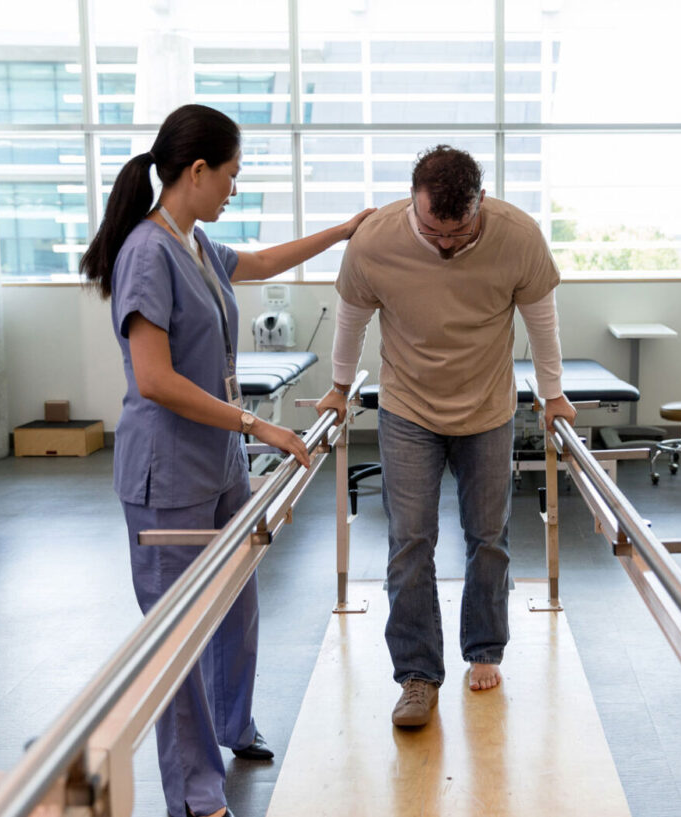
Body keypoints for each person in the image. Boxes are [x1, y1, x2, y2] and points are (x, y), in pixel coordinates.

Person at [81, 103, 372, 817]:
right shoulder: (146, 252)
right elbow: (154, 378)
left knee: (237, 602)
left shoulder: (196, 243)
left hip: (216, 463)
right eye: (232, 175)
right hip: (166, 471)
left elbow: (265, 261)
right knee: (178, 635)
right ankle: (195, 790)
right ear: (198, 169)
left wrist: (344, 232)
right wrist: (257, 425)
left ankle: (234, 724)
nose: (235, 189)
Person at [315, 145, 574, 729]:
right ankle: (416, 674)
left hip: (487, 408)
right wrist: (338, 386)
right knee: (410, 541)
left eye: (459, 233)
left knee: (488, 537)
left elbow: (542, 319)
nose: (446, 245)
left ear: (480, 204)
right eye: (434, 231)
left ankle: (484, 649)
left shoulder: (518, 236)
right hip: (407, 407)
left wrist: (552, 393)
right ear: (413, 202)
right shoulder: (375, 241)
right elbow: (352, 316)